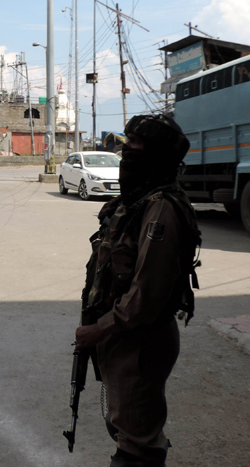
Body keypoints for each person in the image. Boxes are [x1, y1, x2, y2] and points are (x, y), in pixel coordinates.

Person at [75, 114, 200, 467]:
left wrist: (97, 330)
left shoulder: (161, 208)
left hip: (140, 340)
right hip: (124, 337)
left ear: (157, 155)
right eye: (126, 143)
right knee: (126, 427)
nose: (126, 151)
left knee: (137, 444)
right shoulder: (136, 201)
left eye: (136, 146)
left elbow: (146, 295)